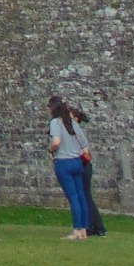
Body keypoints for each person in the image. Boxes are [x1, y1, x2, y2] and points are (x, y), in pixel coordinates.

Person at [46, 96, 91, 240]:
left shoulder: (55, 122)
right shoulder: (72, 122)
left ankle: (76, 230)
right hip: (77, 161)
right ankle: (84, 230)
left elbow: (56, 142)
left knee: (73, 197)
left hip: (63, 162)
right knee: (81, 196)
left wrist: (50, 149)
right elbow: (85, 147)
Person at [69, 104, 107, 235]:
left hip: (82, 164)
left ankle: (91, 227)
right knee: (85, 196)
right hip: (83, 164)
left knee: (85, 196)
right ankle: (97, 227)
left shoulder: (76, 131)